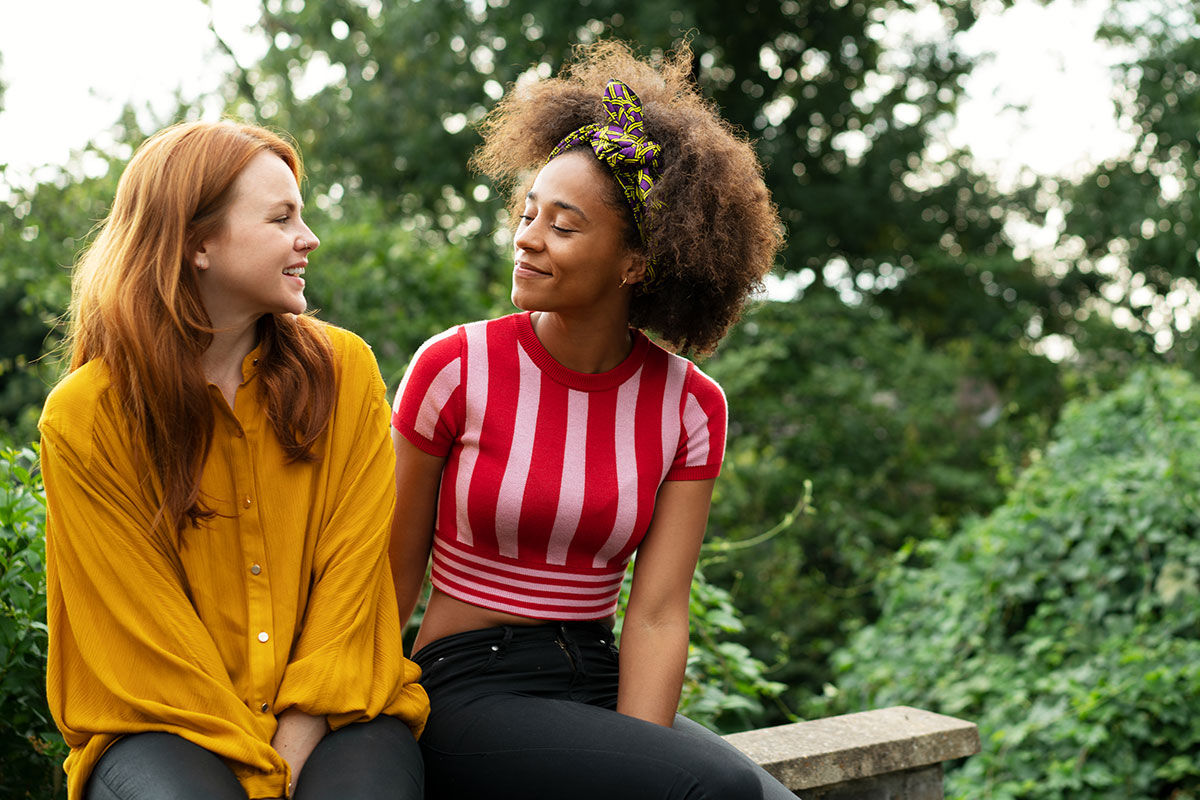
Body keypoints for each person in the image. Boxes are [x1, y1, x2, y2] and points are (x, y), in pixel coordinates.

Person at [389, 41, 792, 799]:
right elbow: (387, 572)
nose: (527, 236)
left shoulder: (690, 406)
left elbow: (660, 612)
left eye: (563, 226)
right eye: (528, 211)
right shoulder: (455, 368)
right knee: (717, 792)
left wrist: (642, 765)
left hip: (598, 682)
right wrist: (361, 731)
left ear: (635, 262)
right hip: (467, 687)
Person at [39, 120, 428, 800]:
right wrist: (259, 772)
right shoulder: (85, 418)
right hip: (164, 728)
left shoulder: (348, 373)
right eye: (281, 218)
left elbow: (352, 578)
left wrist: (296, 736)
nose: (308, 239)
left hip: (335, 714)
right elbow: (145, 638)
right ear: (196, 244)